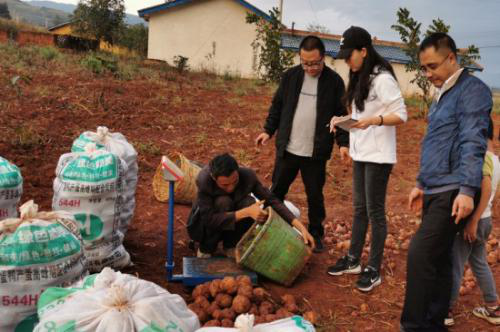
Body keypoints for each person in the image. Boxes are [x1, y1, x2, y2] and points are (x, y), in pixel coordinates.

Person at [400, 33, 492, 331]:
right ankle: (434, 322)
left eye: (432, 66)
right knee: (438, 259)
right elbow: (436, 142)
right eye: (424, 68)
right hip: (437, 187)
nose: (428, 74)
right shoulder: (444, 93)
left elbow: (472, 141)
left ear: (452, 58)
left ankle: (414, 326)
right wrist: (421, 182)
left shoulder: (472, 90)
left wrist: (467, 190)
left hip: (455, 189)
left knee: (420, 254)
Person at [326, 26, 407, 292]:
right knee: (359, 209)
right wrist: (342, 121)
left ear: (364, 50)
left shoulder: (382, 78)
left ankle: (373, 268)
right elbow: (360, 115)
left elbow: (401, 114)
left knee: (375, 212)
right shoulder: (359, 76)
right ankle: (353, 259)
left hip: (379, 156)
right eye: (345, 55)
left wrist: (376, 120)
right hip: (362, 152)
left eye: (350, 54)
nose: (347, 60)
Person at [255, 35, 349, 253]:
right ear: (300, 59)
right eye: (305, 63)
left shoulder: (334, 82)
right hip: (288, 148)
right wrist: (268, 131)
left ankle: (316, 234)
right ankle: (267, 228)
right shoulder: (291, 76)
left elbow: (341, 116)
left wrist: (343, 144)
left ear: (323, 58)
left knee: (315, 196)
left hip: (316, 152)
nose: (310, 68)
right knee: (276, 191)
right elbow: (277, 106)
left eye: (315, 63)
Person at [187, 153, 314, 258]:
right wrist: (246, 212)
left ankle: (231, 245)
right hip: (205, 226)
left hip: (231, 221)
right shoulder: (204, 181)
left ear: (237, 171)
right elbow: (208, 220)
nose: (230, 187)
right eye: (225, 185)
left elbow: (271, 200)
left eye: (234, 181)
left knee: (249, 202)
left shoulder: (247, 176)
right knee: (224, 202)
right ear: (214, 178)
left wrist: (300, 227)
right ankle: (207, 248)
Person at [445, 118, 499, 327]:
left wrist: (472, 221)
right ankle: (493, 307)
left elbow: (485, 186)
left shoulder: (481, 157)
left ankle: (446, 309)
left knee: (456, 264)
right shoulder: (495, 159)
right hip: (485, 220)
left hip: (474, 222)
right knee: (479, 263)